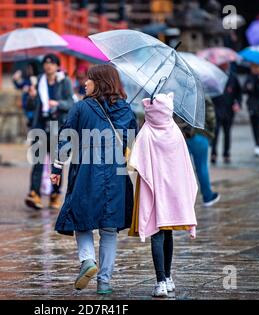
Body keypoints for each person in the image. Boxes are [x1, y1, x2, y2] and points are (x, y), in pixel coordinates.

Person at [50, 65, 137, 295]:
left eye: (88, 80)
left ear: (98, 82)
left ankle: (87, 260)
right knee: (109, 228)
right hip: (115, 170)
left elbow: (66, 137)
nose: (84, 83)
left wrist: (57, 167)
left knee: (82, 219)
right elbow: (131, 142)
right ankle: (104, 281)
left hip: (87, 169)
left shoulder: (81, 108)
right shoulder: (125, 110)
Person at [129, 92, 197, 298]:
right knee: (168, 232)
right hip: (173, 191)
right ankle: (168, 277)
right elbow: (184, 165)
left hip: (154, 191)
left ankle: (160, 282)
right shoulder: (175, 131)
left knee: (156, 233)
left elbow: (136, 163)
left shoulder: (146, 132)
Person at [25, 54, 75, 210]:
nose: (48, 66)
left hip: (57, 127)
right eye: (46, 63)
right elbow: (31, 106)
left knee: (56, 164)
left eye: (52, 63)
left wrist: (58, 103)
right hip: (40, 124)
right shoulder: (38, 81)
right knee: (38, 162)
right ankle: (35, 194)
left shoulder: (64, 81)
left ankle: (55, 194)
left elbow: (71, 102)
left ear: (57, 66)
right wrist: (32, 97)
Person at [177, 97, 220, 207]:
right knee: (202, 168)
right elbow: (211, 118)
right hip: (200, 136)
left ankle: (183, 201)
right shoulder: (202, 96)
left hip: (181, 137)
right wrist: (210, 134)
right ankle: (207, 197)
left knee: (181, 169)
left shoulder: (176, 96)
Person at [211, 62, 242, 164]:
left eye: (226, 63)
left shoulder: (233, 77)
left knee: (227, 133)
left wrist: (238, 103)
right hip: (217, 109)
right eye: (222, 64)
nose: (225, 65)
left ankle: (226, 154)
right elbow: (210, 93)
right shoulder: (215, 76)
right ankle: (213, 153)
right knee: (215, 133)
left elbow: (239, 93)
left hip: (229, 111)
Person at [243, 63, 259, 157]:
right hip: (252, 106)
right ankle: (257, 144)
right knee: (254, 126)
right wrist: (249, 87)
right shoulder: (250, 77)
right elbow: (244, 89)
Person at [12, 61, 39, 127]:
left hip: (33, 105)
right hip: (26, 104)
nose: (28, 70)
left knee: (33, 122)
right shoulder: (26, 80)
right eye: (28, 68)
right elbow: (18, 86)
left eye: (30, 68)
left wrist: (31, 87)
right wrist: (15, 79)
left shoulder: (38, 79)